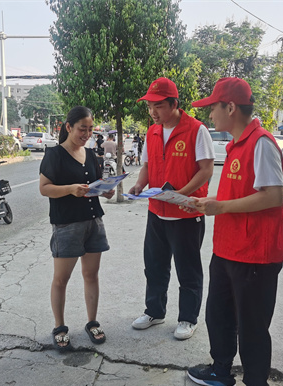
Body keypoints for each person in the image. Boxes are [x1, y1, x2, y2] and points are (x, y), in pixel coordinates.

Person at [186, 77, 283, 386]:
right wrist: (211, 203)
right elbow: (240, 194)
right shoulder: (236, 145)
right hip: (228, 249)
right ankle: (220, 371)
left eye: (213, 107)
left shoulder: (261, 144)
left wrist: (222, 207)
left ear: (230, 107)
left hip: (255, 254)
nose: (210, 115)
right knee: (219, 315)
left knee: (252, 325)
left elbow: (273, 196)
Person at [129, 77, 215, 340]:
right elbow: (146, 165)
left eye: (158, 106)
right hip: (156, 212)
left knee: (188, 269)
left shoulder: (196, 130)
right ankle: (155, 311)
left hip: (186, 214)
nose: (153, 112)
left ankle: (188, 319)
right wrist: (139, 184)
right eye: (149, 106)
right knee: (154, 265)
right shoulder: (152, 131)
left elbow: (206, 170)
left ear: (174, 104)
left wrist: (181, 194)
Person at [39, 106, 115, 351]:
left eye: (91, 129)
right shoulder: (54, 155)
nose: (87, 134)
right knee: (61, 279)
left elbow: (93, 186)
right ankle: (60, 327)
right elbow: (45, 188)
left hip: (93, 221)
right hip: (67, 224)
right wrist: (70, 189)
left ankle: (92, 322)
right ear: (68, 127)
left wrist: (105, 191)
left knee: (91, 275)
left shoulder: (92, 154)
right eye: (82, 129)